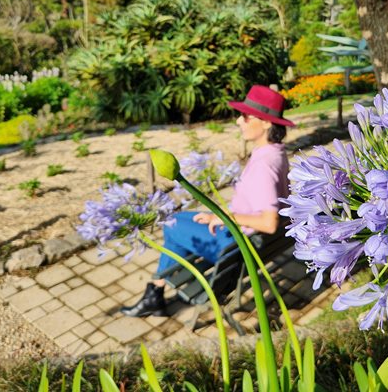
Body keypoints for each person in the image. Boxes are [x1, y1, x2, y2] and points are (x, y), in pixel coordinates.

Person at [120, 85, 294, 317]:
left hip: (236, 248)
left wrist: (223, 217)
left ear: (266, 123)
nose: (237, 122)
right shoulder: (275, 152)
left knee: (171, 225)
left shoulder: (264, 164)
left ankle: (156, 291)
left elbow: (269, 222)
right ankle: (156, 290)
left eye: (244, 116)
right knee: (178, 219)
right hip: (252, 243)